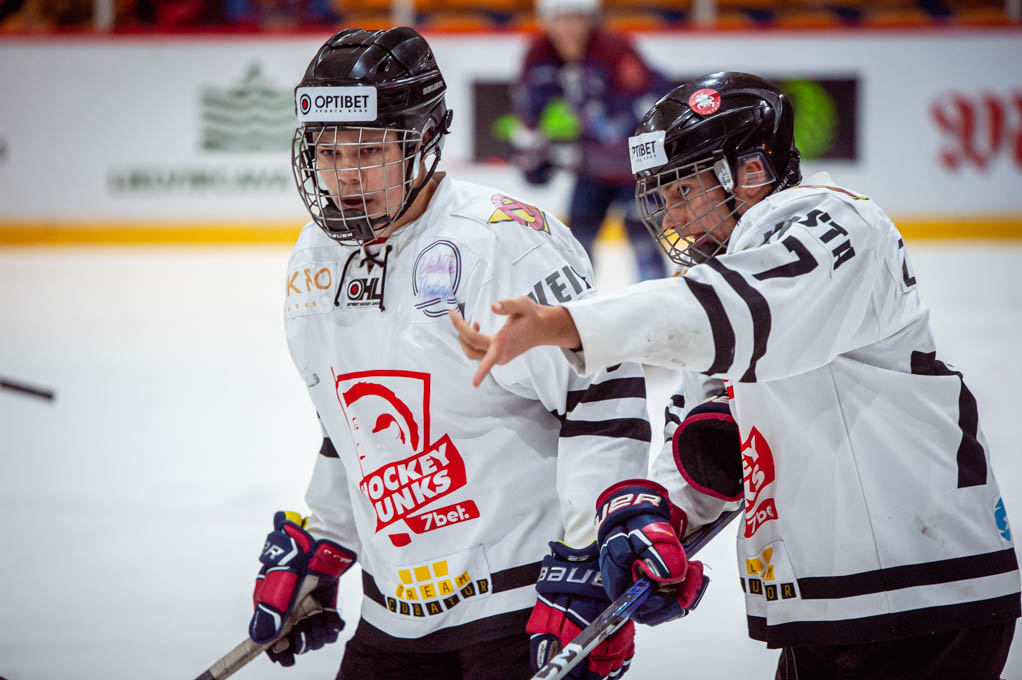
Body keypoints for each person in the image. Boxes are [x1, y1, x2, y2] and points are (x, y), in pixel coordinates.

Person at [451, 72, 1021, 679]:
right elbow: (700, 442)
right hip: (833, 603)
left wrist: (569, 323)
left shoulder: (838, 223)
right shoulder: (721, 286)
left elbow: (745, 314)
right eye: (662, 196)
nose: (672, 214)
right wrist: (647, 528)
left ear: (751, 172)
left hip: (924, 593)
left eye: (685, 188)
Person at [246, 27, 650, 680]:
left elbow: (601, 392)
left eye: (368, 149)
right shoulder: (314, 257)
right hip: (392, 616)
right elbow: (351, 424)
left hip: (522, 605)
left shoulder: (502, 242)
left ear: (424, 140)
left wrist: (588, 558)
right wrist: (327, 535)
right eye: (327, 150)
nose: (344, 175)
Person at [510, 0, 670, 282]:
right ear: (547, 22)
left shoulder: (615, 48)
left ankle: (653, 299)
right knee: (575, 241)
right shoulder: (539, 53)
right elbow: (530, 112)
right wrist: (533, 153)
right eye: (560, 20)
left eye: (576, 19)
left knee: (643, 237)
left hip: (635, 167)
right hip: (592, 168)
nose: (568, 29)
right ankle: (579, 300)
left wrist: (612, 132)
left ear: (590, 20)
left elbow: (648, 106)